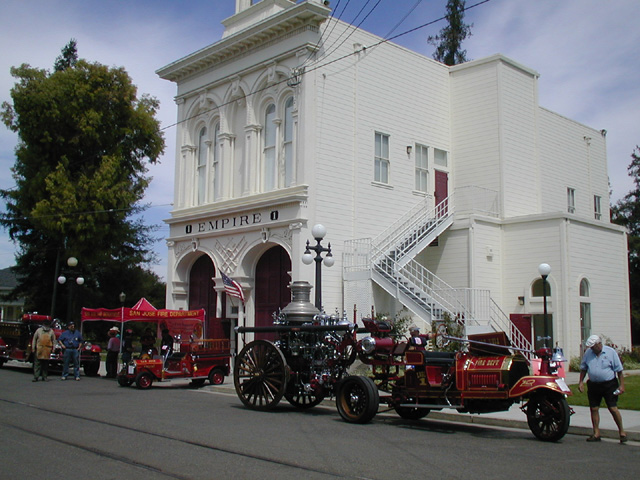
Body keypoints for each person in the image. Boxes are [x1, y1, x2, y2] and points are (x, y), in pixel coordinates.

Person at [578, 334, 627, 443]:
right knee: (594, 408)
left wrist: (622, 385)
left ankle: (622, 432)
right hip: (594, 384)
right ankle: (596, 433)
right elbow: (583, 368)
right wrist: (581, 382)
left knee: (613, 408)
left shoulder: (610, 352)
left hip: (609, 384)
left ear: (600, 344)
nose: (596, 348)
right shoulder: (588, 354)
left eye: (596, 346)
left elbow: (619, 370)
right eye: (593, 347)